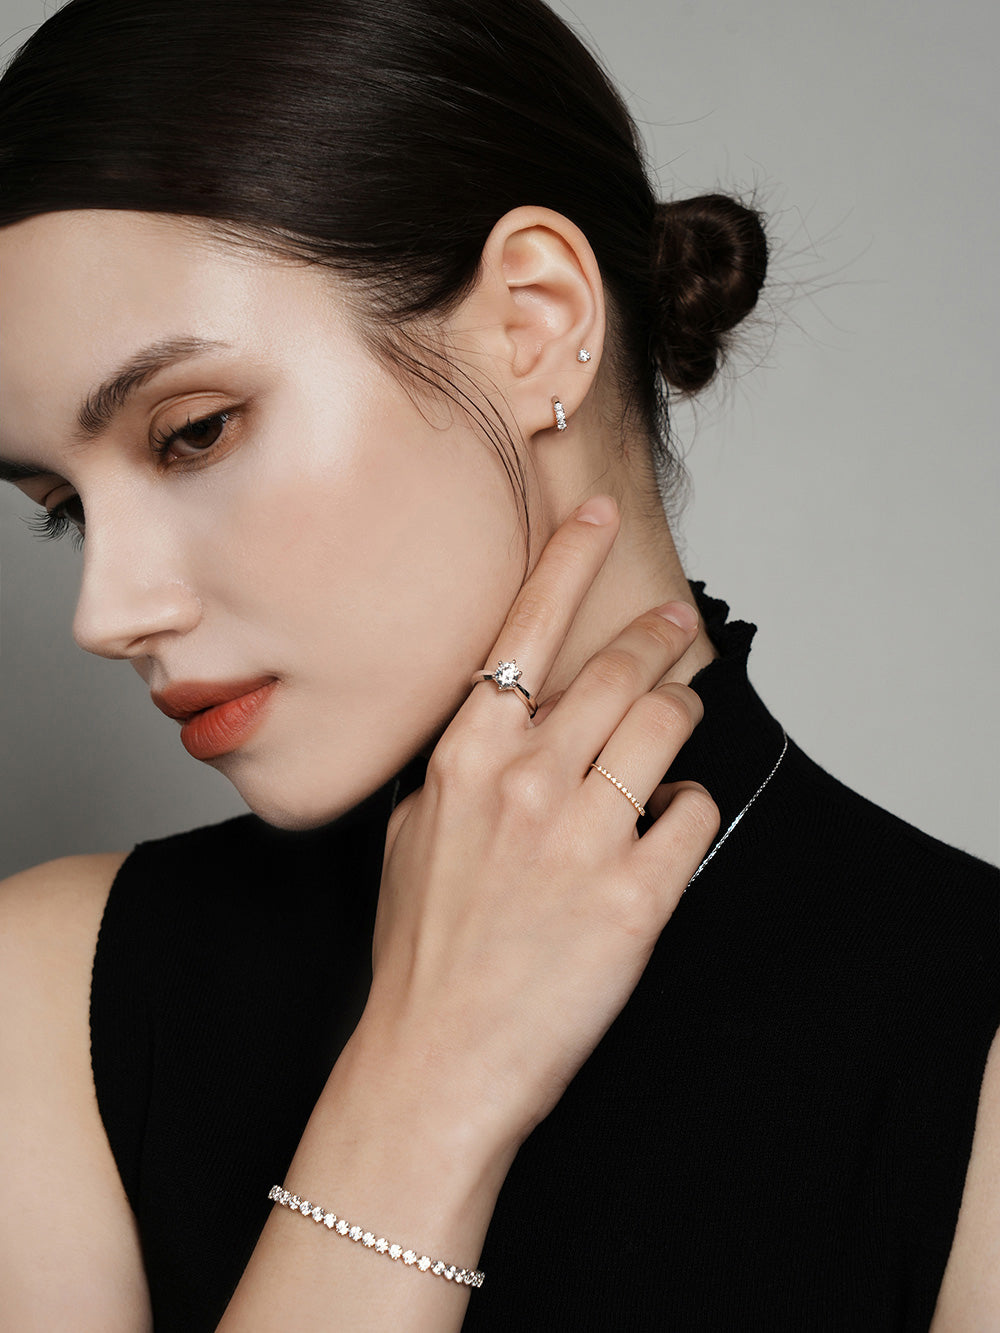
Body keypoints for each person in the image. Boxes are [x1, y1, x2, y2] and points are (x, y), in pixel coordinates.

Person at [0, 0, 996, 1329]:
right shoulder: (45, 997)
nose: (107, 612)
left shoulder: (970, 1049)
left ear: (533, 322)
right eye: (63, 508)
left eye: (193, 432)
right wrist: (423, 1088)